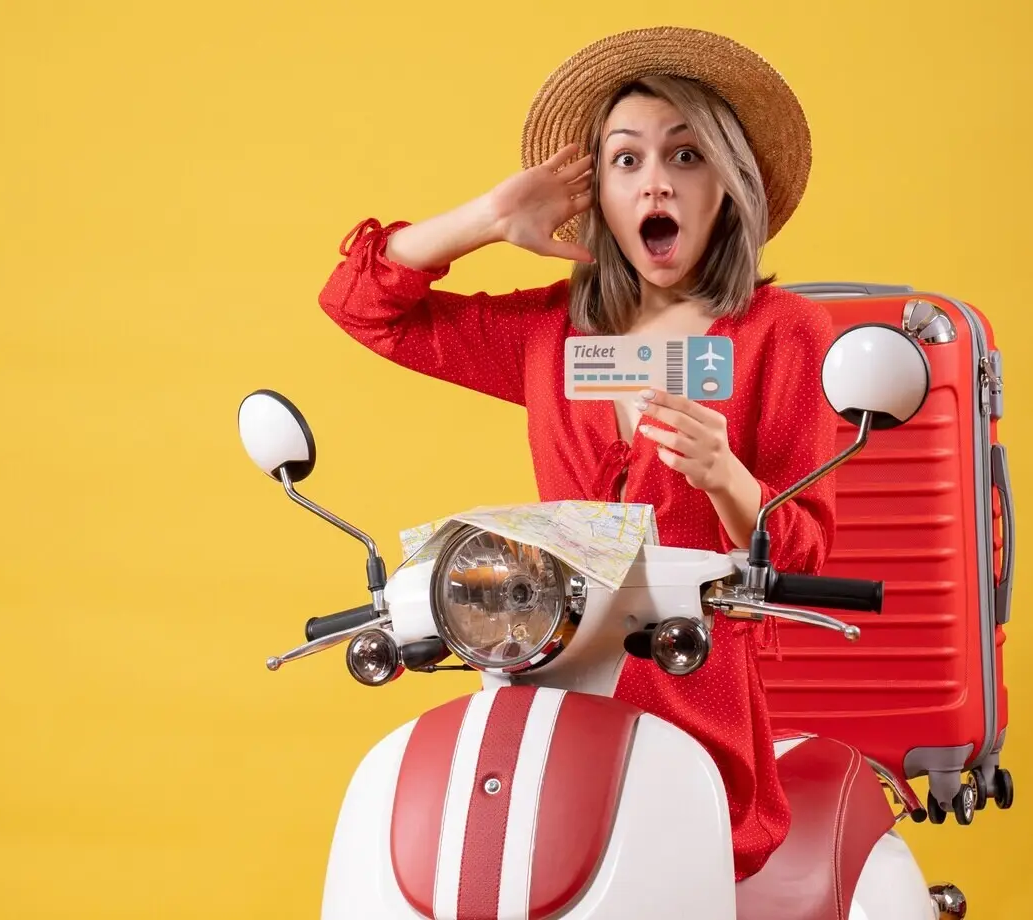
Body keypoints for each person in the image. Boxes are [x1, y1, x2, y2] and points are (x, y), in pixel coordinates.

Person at [317, 26, 839, 882]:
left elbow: (805, 548)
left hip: (690, 688)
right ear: (596, 191)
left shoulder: (786, 336)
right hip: (544, 682)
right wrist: (487, 220)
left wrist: (727, 476)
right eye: (625, 160)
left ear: (729, 187)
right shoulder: (551, 332)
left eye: (687, 155)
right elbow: (364, 306)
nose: (656, 180)